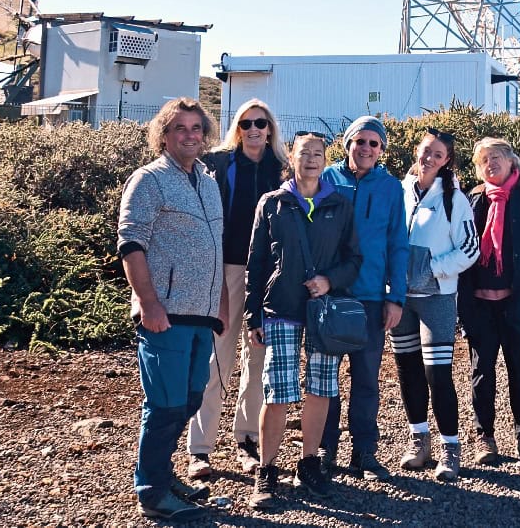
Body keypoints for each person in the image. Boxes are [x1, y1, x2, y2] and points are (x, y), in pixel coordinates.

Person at [116, 98, 225, 521]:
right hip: (165, 315)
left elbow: (215, 247)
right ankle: (152, 490)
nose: (190, 135)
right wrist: (148, 302)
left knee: (191, 397)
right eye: (180, 128)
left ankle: (161, 471)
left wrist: (221, 303)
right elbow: (131, 243)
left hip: (201, 315)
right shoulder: (148, 180)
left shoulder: (208, 181)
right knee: (164, 404)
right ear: (164, 134)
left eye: (197, 128)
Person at [244, 132, 363, 509]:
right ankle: (267, 470)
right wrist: (253, 314)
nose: (311, 159)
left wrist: (330, 281)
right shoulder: (272, 203)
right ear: (291, 158)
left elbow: (354, 259)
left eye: (318, 153)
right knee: (278, 390)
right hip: (280, 308)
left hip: (323, 311)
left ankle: (309, 463)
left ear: (325, 160)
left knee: (320, 388)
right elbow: (256, 262)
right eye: (304, 153)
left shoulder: (341, 204)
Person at [186, 99, 287, 481]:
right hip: (227, 269)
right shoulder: (219, 164)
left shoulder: (282, 171)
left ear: (271, 128)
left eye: (261, 122)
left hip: (269, 275)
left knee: (258, 360)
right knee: (218, 359)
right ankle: (200, 448)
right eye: (247, 123)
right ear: (238, 127)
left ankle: (247, 440)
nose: (254, 129)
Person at [457, 137, 520, 466]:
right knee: (481, 372)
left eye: (497, 156)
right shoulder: (472, 198)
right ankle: (484, 435)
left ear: (512, 161)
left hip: (518, 300)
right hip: (479, 303)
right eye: (484, 159)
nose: (491, 163)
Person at [318, 116, 407, 480]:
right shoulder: (327, 179)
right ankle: (325, 449)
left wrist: (395, 296)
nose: (366, 148)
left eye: (374, 143)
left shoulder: (390, 187)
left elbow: (397, 244)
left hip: (371, 297)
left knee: (367, 379)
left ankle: (364, 452)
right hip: (330, 295)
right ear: (348, 143)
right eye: (360, 141)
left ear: (382, 149)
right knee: (326, 379)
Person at [392, 128, 479, 481]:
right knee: (407, 370)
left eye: (438, 154)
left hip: (437, 299)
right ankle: (418, 440)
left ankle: (450, 448)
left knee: (436, 373)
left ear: (446, 161)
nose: (429, 158)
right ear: (418, 150)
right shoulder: (400, 191)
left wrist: (434, 269)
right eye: (426, 150)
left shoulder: (453, 199)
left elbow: (471, 248)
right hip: (400, 298)